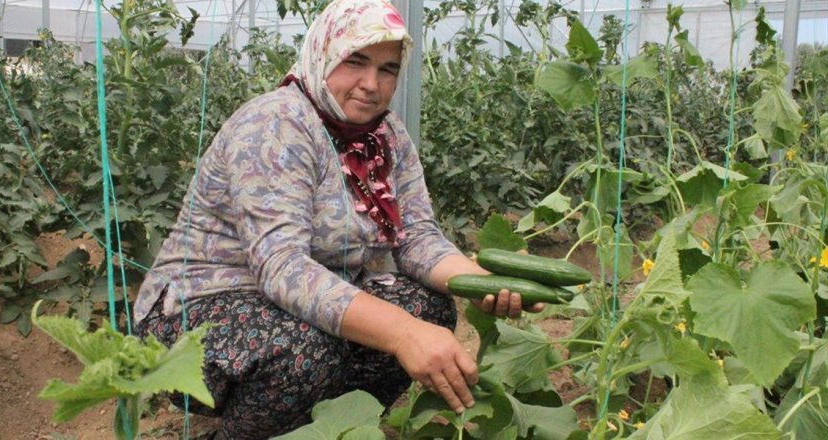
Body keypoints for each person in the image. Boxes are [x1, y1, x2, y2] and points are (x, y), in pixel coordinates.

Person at [133, 1, 539, 438]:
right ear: (323, 53)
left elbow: (415, 236)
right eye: (356, 62)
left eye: (387, 69)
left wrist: (475, 281)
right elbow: (281, 267)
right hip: (197, 315)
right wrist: (403, 335)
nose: (371, 84)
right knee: (307, 350)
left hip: (293, 309)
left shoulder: (386, 137)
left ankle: (323, 427)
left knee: (427, 307)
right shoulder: (276, 124)